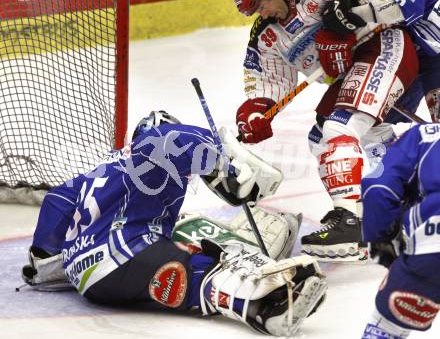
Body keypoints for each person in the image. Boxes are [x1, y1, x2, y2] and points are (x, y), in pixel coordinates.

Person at [21, 110, 327, 336]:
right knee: (204, 271)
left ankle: (252, 298)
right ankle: (271, 303)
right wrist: (224, 162)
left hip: (89, 276)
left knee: (185, 269)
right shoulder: (153, 146)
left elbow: (57, 201)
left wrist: (46, 261)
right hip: (123, 252)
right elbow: (169, 141)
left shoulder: (103, 168)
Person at [231, 0, 440, 262]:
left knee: (340, 126)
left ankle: (348, 224)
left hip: (389, 46)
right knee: (321, 136)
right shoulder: (267, 32)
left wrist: (354, 17)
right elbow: (268, 82)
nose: (261, 12)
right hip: (365, 64)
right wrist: (256, 110)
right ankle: (387, 208)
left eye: (261, 4)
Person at [360, 123, 440, 338]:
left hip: (433, 247)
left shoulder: (424, 136)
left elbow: (379, 187)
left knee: (387, 328)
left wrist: (381, 235)